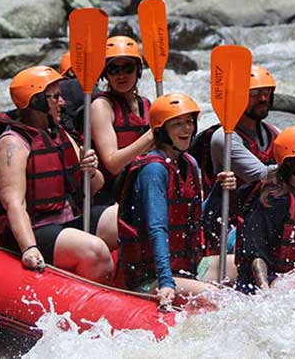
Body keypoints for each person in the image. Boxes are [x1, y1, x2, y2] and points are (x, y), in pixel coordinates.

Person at [0, 66, 114, 283]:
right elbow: (14, 203)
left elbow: (95, 187)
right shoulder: (13, 144)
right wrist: (29, 248)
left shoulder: (60, 134)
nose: (63, 102)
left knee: (126, 219)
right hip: (34, 229)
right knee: (95, 251)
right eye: (56, 97)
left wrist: (91, 170)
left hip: (69, 219)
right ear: (37, 101)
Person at [117, 93, 236, 308]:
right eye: (177, 124)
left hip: (186, 266)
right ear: (162, 131)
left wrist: (219, 191)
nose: (187, 129)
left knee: (239, 265)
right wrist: (165, 281)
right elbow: (156, 228)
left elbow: (197, 215)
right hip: (152, 276)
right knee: (216, 296)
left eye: (189, 122)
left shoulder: (189, 163)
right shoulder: (153, 170)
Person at [234, 125, 295, 293]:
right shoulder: (274, 199)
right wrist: (265, 291)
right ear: (292, 163)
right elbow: (255, 253)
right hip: (261, 284)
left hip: (293, 278)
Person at [193, 66, 280, 252]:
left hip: (263, 216)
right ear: (238, 97)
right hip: (229, 226)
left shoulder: (273, 132)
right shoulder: (224, 137)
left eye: (267, 92)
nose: (263, 98)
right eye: (255, 93)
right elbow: (260, 174)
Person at [90, 36, 155, 206]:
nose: (121, 75)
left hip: (141, 183)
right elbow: (112, 164)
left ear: (138, 71)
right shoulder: (101, 107)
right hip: (110, 193)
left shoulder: (146, 104)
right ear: (106, 73)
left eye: (127, 68)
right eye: (114, 69)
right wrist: (151, 136)